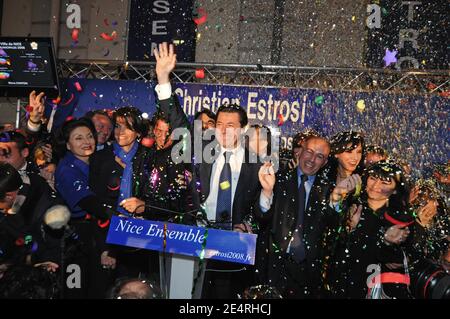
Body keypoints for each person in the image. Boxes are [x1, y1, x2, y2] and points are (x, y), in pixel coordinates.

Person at [256, 134, 333, 298]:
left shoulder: (328, 190)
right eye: (309, 152)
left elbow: (333, 227)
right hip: (273, 266)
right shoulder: (278, 179)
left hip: (307, 274)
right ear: (300, 152)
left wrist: (338, 203)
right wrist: (267, 191)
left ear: (325, 162)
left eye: (319, 156)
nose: (312, 159)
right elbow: (262, 218)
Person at [326, 160, 413, 299]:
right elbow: (329, 240)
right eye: (373, 178)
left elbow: (395, 263)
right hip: (338, 285)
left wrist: (387, 242)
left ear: (396, 188)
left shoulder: (399, 220)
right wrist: (347, 225)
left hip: (369, 289)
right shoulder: (352, 206)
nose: (376, 185)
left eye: (385, 182)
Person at [54, 118, 117, 298]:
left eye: (89, 136)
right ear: (68, 145)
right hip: (77, 237)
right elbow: (90, 203)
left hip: (99, 231)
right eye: (78, 138)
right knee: (77, 289)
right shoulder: (67, 169)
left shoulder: (97, 161)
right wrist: (121, 218)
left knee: (101, 288)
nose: (87, 142)